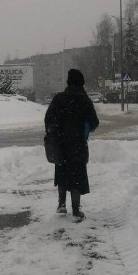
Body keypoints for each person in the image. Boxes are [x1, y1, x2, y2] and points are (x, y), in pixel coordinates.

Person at [44, 68, 99, 221]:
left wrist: (54, 132)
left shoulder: (59, 98)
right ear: (81, 83)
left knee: (62, 172)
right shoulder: (84, 100)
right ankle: (76, 210)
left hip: (60, 144)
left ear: (68, 82)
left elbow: (48, 119)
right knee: (77, 175)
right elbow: (94, 123)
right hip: (78, 144)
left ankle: (61, 204)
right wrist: (84, 130)